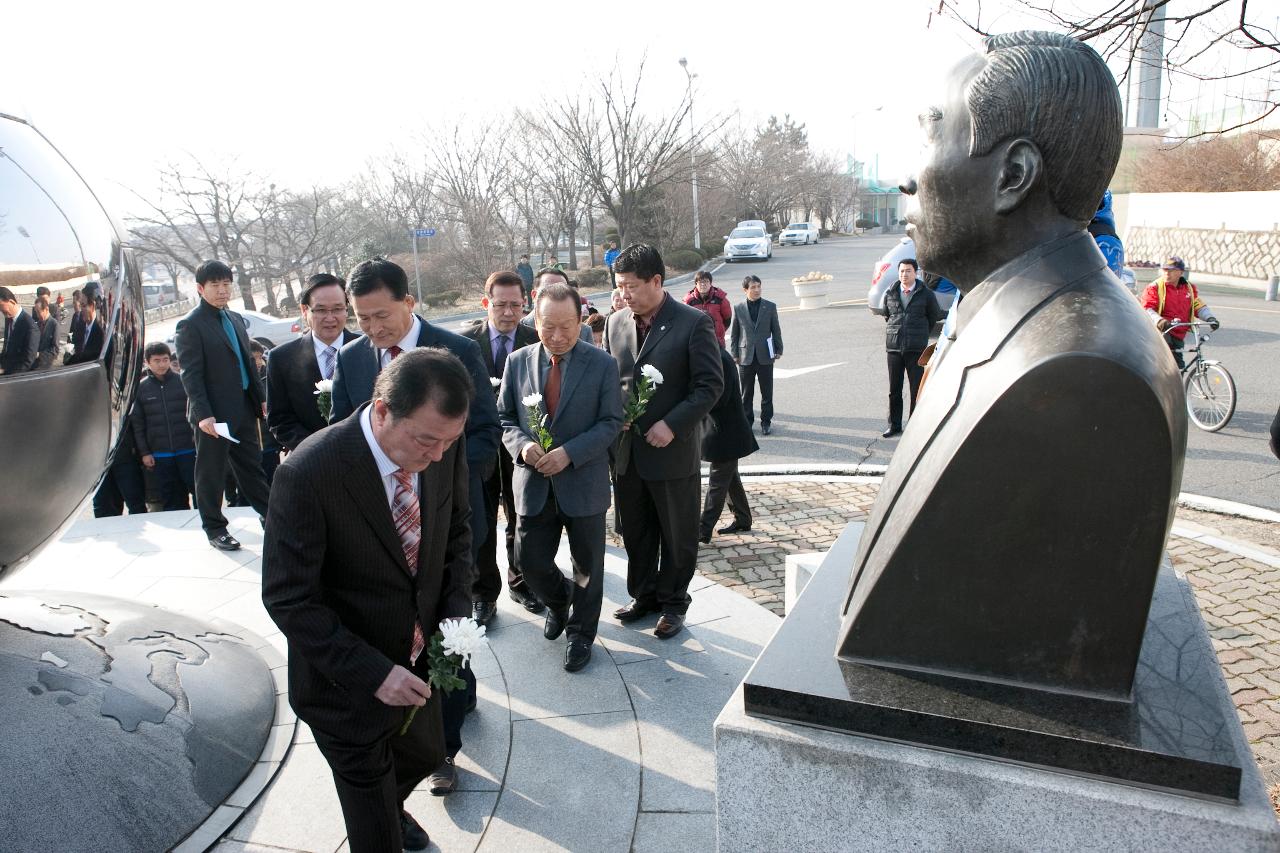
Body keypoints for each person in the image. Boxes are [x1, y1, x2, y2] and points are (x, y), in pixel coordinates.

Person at [838, 32, 1186, 698]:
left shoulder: (1088, 373)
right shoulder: (1002, 313)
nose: (905, 177)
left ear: (1013, 177)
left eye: (931, 135)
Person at [262, 348, 475, 853]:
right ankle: (383, 815)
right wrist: (374, 672)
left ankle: (389, 803)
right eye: (426, 440)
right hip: (345, 685)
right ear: (382, 409)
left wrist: (453, 619)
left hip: (421, 659)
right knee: (375, 831)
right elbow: (289, 599)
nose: (438, 456)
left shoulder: (439, 448)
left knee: (424, 754)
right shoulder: (310, 473)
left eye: (450, 441)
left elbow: (457, 533)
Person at [499, 282, 623, 671]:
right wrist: (522, 446)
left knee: (588, 564)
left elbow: (611, 422)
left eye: (566, 326)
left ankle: (581, 634)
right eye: (547, 326)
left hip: (582, 481)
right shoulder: (518, 362)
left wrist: (570, 454)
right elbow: (503, 418)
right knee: (529, 560)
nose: (557, 336)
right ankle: (558, 600)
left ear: (580, 320)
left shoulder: (601, 363)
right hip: (534, 484)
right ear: (534, 321)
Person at [603, 243, 723, 640]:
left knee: (676, 533)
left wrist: (671, 425)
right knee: (635, 530)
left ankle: (674, 602)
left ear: (657, 281)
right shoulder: (615, 322)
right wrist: (612, 415)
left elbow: (709, 385)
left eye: (632, 286)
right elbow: (611, 380)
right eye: (619, 287)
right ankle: (644, 595)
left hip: (671, 451)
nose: (624, 294)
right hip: (627, 453)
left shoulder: (692, 322)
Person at [459, 271, 544, 622]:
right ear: (485, 303)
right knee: (479, 518)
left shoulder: (536, 340)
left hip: (520, 446)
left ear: (525, 302)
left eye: (515, 304)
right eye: (500, 304)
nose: (508, 313)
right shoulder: (464, 345)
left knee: (520, 516)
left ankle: (521, 581)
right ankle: (483, 593)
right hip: (478, 446)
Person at [175, 260, 272, 552]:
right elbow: (190, 373)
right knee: (211, 472)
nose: (221, 290)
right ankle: (215, 529)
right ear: (200, 288)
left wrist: (261, 398)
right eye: (215, 285)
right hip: (212, 415)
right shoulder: (190, 324)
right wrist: (204, 414)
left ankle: (271, 516)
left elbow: (247, 364)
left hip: (242, 407)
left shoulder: (233, 317)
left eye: (226, 284)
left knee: (251, 467)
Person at [266, 273, 360, 452]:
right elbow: (279, 420)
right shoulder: (281, 359)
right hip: (311, 461)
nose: (330, 318)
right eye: (321, 310)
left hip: (363, 457)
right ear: (304, 310)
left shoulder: (368, 349)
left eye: (338, 309)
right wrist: (317, 448)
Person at [699, 347, 758, 543]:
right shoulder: (716, 354)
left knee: (718, 481)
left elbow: (719, 396)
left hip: (725, 432)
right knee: (729, 477)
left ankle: (703, 530)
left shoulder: (718, 358)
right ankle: (743, 518)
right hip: (725, 430)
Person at [880, 259, 942, 438]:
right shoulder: (891, 292)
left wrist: (920, 334)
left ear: (916, 273)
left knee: (916, 388)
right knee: (894, 389)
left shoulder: (925, 293)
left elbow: (934, 316)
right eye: (901, 271)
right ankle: (894, 425)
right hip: (894, 348)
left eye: (908, 271)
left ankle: (915, 426)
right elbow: (887, 314)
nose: (904, 275)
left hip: (916, 349)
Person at [132, 342, 197, 510]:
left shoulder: (183, 381)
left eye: (165, 359)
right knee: (171, 497)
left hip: (188, 449)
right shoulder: (141, 388)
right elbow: (138, 425)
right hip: (161, 454)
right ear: (147, 362)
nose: (162, 364)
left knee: (199, 491)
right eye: (157, 360)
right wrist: (145, 453)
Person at [1140, 256, 1219, 370]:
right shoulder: (1155, 287)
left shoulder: (1188, 288)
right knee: (1165, 367)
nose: (1167, 273)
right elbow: (1147, 308)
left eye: (1171, 270)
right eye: (1165, 270)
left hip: (1178, 333)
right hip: (1161, 332)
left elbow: (1196, 305)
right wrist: (1160, 321)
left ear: (1181, 272)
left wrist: (1210, 318)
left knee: (1177, 368)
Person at [728, 275, 784, 435]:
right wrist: (734, 353)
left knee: (767, 392)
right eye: (753, 287)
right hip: (745, 356)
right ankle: (747, 422)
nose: (757, 290)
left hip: (765, 354)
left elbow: (776, 329)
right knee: (746, 393)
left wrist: (778, 349)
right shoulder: (738, 308)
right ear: (745, 290)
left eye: (759, 286)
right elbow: (735, 333)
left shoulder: (770, 306)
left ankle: (766, 422)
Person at [520, 267, 594, 343]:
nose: (555, 296)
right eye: (548, 291)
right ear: (534, 295)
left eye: (562, 291)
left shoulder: (584, 331)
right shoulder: (518, 329)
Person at [250, 341, 283, 485]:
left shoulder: (269, 378)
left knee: (273, 484)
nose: (258, 362)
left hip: (270, 445)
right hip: (249, 449)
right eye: (253, 358)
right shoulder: (237, 383)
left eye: (260, 357)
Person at [683, 270, 732, 347]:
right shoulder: (689, 301)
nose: (703, 284)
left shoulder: (720, 299)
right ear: (696, 284)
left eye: (706, 281)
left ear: (710, 283)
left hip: (717, 342)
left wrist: (719, 331)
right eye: (700, 282)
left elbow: (727, 320)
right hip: (696, 343)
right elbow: (685, 322)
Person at [0, 286, 39, 374]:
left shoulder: (30, 326)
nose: (4, 315)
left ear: (12, 302)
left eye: (4, 310)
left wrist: (4, 371)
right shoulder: (9, 319)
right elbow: (7, 348)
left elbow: (28, 362)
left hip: (16, 377)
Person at [63, 284, 105, 366]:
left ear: (93, 305)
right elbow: (76, 353)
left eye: (83, 305)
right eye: (80, 305)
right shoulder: (80, 325)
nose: (81, 309)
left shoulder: (100, 333)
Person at [32, 296, 60, 369]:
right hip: (34, 363)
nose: (37, 315)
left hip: (45, 365)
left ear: (46, 309)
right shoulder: (37, 324)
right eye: (36, 312)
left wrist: (39, 354)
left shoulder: (54, 324)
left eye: (39, 312)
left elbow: (55, 350)